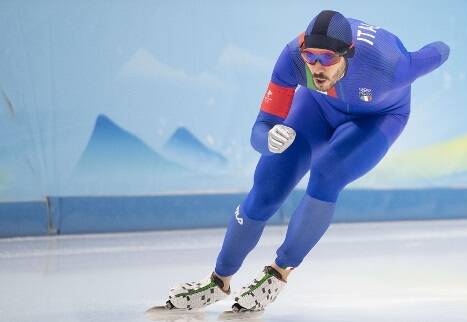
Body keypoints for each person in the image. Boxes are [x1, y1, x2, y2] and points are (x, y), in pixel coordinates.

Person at [165, 9, 450, 313]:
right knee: (267, 187)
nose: (316, 67)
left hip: (378, 118)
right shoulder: (292, 58)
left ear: (348, 54)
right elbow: (259, 131)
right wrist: (269, 139)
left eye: (327, 58)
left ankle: (278, 272)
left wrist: (443, 44)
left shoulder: (390, 65)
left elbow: (439, 51)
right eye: (310, 56)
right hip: (317, 106)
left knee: (327, 175)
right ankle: (219, 279)